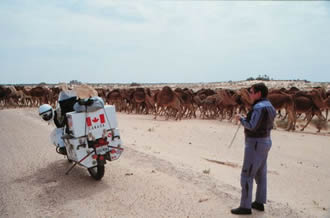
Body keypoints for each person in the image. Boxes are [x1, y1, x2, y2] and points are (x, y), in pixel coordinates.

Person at [231, 83, 276, 215]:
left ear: (258, 93)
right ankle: (259, 202)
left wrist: (241, 119)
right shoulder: (270, 106)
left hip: (255, 143)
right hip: (266, 141)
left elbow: (252, 125)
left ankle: (245, 206)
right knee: (261, 174)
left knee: (247, 174)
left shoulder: (258, 107)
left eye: (251, 91)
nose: (249, 94)